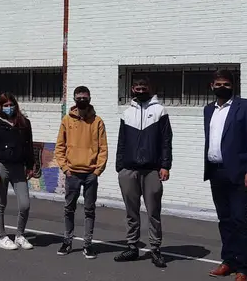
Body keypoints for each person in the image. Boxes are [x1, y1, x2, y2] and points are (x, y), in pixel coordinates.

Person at [203, 69, 247, 281]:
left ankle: (243, 270)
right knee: (224, 220)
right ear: (212, 86)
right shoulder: (208, 109)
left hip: (239, 174)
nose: (222, 87)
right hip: (216, 172)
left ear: (233, 86)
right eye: (218, 84)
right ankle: (228, 260)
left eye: (226, 84)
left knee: (239, 220)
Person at [114, 75, 172, 268]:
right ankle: (132, 246)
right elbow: (121, 142)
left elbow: (166, 141)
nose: (140, 91)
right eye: (137, 88)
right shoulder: (126, 113)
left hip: (152, 170)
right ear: (132, 89)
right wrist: (120, 167)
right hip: (128, 170)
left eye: (143, 88)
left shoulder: (159, 111)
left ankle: (155, 249)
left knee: (153, 212)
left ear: (150, 88)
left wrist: (165, 166)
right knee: (131, 212)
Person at [54, 86, 108, 259]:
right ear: (74, 99)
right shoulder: (67, 120)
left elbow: (103, 148)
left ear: (90, 99)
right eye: (79, 98)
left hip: (91, 174)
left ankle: (87, 244)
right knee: (69, 209)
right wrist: (65, 168)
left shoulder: (97, 122)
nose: (82, 100)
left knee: (89, 210)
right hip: (72, 174)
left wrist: (97, 170)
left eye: (85, 97)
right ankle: (67, 241)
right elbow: (60, 147)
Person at [0, 92, 35, 251]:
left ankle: (20, 235)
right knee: (1, 203)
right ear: (0, 107)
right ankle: (2, 237)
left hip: (19, 168)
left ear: (15, 105)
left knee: (25, 204)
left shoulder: (24, 123)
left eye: (11, 104)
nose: (9, 108)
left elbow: (29, 145)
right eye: (5, 105)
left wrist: (30, 165)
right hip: (2, 168)